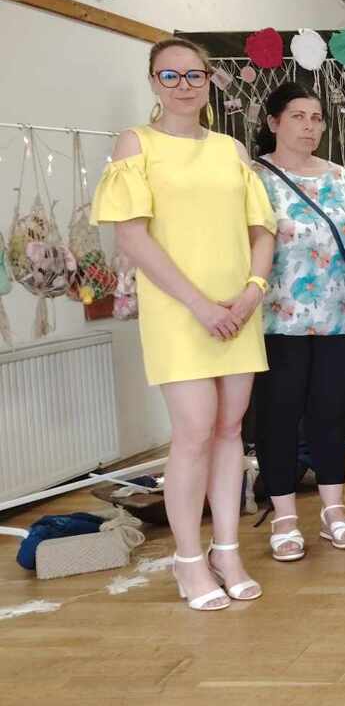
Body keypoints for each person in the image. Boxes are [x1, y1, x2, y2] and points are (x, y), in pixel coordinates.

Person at [90, 37, 277, 610]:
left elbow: (262, 229)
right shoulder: (136, 143)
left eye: (194, 75)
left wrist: (252, 290)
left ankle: (227, 550)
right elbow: (132, 236)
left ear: (208, 80)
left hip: (238, 309)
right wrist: (199, 305)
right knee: (194, 430)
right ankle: (188, 559)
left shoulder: (230, 149)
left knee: (230, 429)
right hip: (180, 310)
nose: (183, 86)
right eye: (169, 76)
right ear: (153, 82)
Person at [251, 83, 345, 561]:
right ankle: (284, 516)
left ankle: (334, 510)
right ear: (273, 122)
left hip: (341, 319)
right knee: (277, 416)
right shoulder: (255, 177)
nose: (309, 126)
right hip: (278, 321)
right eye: (297, 116)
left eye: (316, 118)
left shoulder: (341, 176)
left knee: (331, 413)